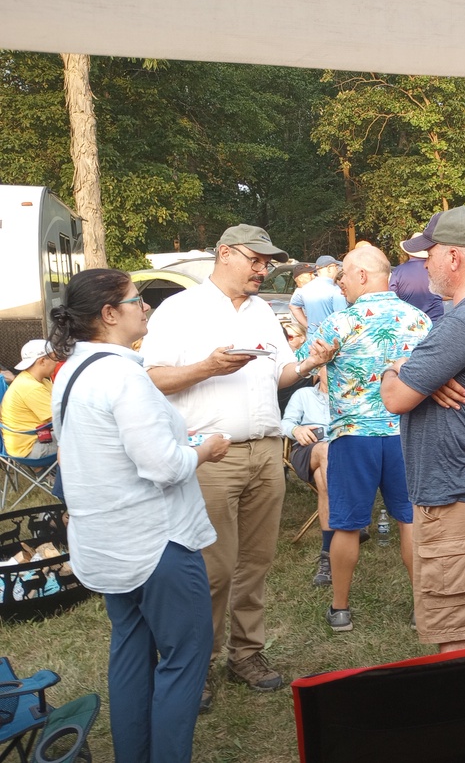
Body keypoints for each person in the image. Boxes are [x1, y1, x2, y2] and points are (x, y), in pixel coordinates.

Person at [140, 224, 338, 710]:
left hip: (265, 451)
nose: (263, 270)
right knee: (211, 568)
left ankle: (246, 653)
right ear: (224, 253)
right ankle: (197, 665)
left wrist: (310, 362)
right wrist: (207, 367)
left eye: (267, 263)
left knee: (255, 562)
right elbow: (152, 378)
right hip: (211, 455)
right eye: (255, 260)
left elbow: (280, 374)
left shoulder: (262, 312)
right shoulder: (180, 309)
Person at [50, 268, 231, 763]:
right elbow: (163, 466)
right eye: (137, 300)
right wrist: (205, 451)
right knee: (184, 657)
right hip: (156, 543)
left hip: (107, 540)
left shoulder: (70, 373)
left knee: (130, 651)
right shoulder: (124, 375)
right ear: (109, 314)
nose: (146, 307)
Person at [380, 206, 465, 652]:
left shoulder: (462, 323)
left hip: (455, 492)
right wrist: (420, 373)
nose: (424, 265)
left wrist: (393, 367)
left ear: (454, 257)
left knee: (454, 626)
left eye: (430, 255)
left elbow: (395, 398)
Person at [315, 244, 431, 632]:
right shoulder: (419, 320)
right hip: (406, 434)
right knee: (410, 519)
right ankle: (421, 607)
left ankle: (340, 609)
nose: (340, 282)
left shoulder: (340, 322)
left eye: (344, 275)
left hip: (353, 436)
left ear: (362, 275)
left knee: (346, 524)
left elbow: (304, 362)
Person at [280, 371, 335, 586]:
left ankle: (327, 557)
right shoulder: (303, 395)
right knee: (324, 449)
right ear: (318, 371)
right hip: (307, 452)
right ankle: (347, 514)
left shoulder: (350, 397)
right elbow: (284, 424)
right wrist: (297, 429)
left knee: (323, 478)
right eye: (328, 366)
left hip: (341, 456)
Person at [0, 339, 58, 460]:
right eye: (54, 358)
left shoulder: (35, 380)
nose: (57, 362)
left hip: (29, 441)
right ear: (42, 361)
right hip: (30, 448)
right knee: (82, 442)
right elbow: (59, 419)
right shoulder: (32, 387)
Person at [390, 232, 445, 322]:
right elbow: (446, 293)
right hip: (435, 321)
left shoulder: (398, 272)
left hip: (410, 322)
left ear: (409, 252)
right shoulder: (438, 269)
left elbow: (392, 297)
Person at [288, 254, 347, 331]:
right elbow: (342, 318)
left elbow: (293, 306)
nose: (337, 270)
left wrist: (308, 326)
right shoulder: (335, 290)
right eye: (336, 267)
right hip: (330, 335)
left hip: (312, 335)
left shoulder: (304, 289)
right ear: (329, 268)